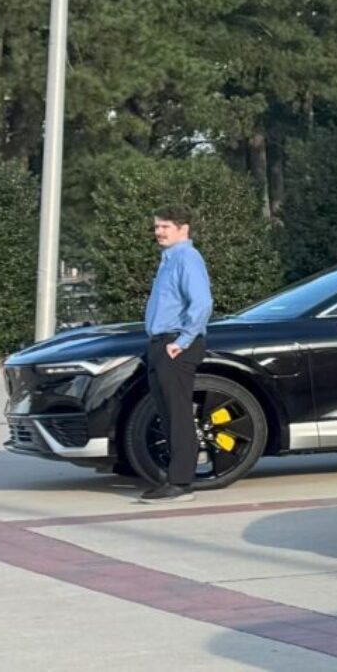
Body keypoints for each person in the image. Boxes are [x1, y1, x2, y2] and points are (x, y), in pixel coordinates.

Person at [137, 207, 213, 505]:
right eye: (157, 226)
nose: (159, 232)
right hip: (161, 344)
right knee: (167, 412)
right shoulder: (168, 260)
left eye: (165, 226)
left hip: (176, 345)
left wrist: (182, 341)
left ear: (184, 229)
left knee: (178, 413)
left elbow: (202, 303)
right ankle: (173, 477)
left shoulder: (187, 259)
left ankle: (181, 483)